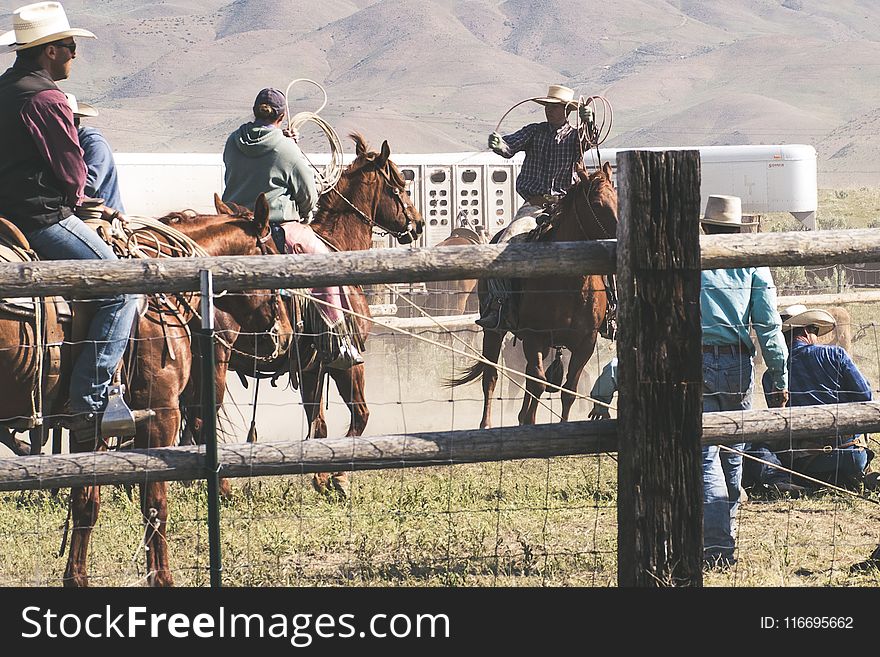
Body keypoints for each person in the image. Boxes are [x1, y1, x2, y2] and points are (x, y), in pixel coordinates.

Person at [0, 2, 141, 443]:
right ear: (48, 52)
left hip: (5, 217)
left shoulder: (5, 88)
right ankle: (89, 402)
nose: (75, 53)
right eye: (69, 46)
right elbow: (71, 169)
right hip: (42, 219)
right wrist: (82, 200)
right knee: (124, 287)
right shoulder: (47, 98)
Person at [699, 194, 789, 570]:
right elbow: (768, 325)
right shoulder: (751, 263)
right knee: (733, 453)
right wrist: (779, 375)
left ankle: (716, 547)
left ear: (705, 226)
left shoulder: (693, 259)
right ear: (739, 228)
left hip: (696, 359)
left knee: (704, 458)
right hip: (737, 363)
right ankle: (726, 535)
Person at [477, 84, 596, 332]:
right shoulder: (534, 132)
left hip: (566, 207)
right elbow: (509, 147)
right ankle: (500, 306)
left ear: (566, 110)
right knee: (505, 243)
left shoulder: (575, 136)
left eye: (555, 107)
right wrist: (498, 144)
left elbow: (590, 140)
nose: (550, 111)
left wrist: (589, 122)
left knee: (598, 245)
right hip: (534, 205)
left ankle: (609, 308)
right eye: (548, 107)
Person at [743, 304, 877, 496]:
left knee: (753, 444)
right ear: (806, 331)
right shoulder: (835, 355)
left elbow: (779, 423)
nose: (817, 335)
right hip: (852, 456)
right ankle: (850, 477)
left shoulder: (771, 376)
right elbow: (866, 397)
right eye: (815, 330)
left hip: (805, 464)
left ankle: (780, 481)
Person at [222, 87, 317, 222]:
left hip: (232, 219)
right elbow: (308, 196)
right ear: (282, 116)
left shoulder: (233, 140)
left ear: (255, 111)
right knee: (316, 244)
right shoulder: (287, 148)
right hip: (273, 225)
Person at [64, 92, 125, 212]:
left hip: (100, 215)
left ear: (75, 122)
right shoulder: (63, 145)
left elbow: (89, 185)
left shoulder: (94, 143)